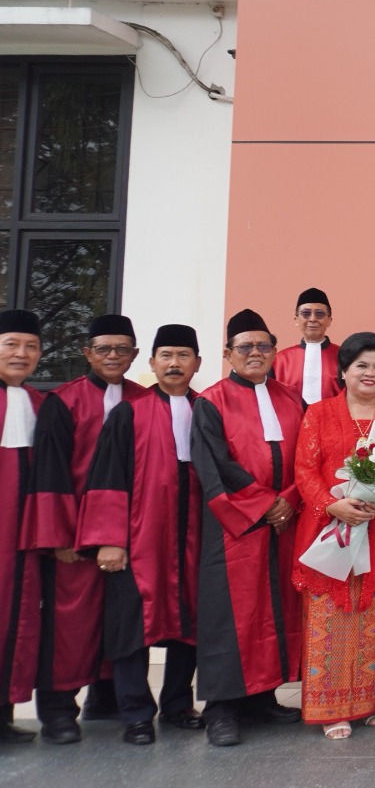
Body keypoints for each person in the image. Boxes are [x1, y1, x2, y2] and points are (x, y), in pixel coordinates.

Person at [78, 324, 206, 745]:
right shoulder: (128, 413)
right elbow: (107, 478)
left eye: (183, 355)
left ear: (197, 364)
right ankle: (134, 712)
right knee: (131, 626)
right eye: (166, 355)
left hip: (193, 539)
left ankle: (177, 705)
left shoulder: (206, 409)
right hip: (139, 540)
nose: (174, 363)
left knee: (190, 625)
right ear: (151, 363)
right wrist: (110, 539)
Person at [24, 313, 148, 743]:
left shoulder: (142, 399)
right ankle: (58, 710)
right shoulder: (64, 400)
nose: (113, 356)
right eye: (104, 349)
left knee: (118, 620)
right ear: (87, 353)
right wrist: (58, 537)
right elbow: (50, 472)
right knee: (69, 624)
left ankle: (105, 697)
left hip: (128, 535)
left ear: (134, 353)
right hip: (74, 535)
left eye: (122, 349)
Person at [192, 309, 305, 747]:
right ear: (228, 353)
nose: (255, 353)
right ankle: (221, 707)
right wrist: (265, 505)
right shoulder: (212, 401)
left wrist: (290, 500)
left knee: (274, 608)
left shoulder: (292, 397)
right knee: (230, 613)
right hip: (236, 524)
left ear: (275, 350)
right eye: (245, 347)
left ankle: (262, 695)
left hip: (283, 521)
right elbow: (215, 464)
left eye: (263, 345)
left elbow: (306, 458)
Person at [292, 333, 375, 739]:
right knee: (331, 612)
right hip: (329, 530)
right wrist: (331, 504)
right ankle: (331, 708)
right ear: (344, 370)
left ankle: (368, 702)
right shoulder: (319, 414)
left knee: (373, 613)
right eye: (362, 365)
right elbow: (304, 471)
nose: (370, 373)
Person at [0, 311, 45, 744]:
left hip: (21, 539)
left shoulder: (37, 403)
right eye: (12, 344)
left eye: (30, 347)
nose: (21, 354)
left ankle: (4, 714)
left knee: (16, 619)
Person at [272, 288, 340, 404]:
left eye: (319, 314)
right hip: (292, 421)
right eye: (306, 313)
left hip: (334, 420)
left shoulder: (344, 356)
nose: (312, 319)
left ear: (329, 320)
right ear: (296, 320)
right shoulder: (279, 360)